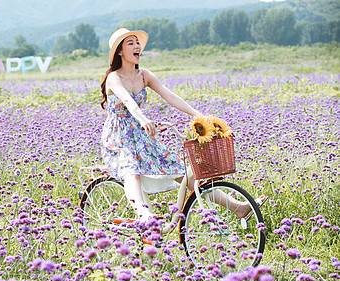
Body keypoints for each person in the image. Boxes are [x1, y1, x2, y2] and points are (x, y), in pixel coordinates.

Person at [100, 28, 265, 222]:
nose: (137, 46)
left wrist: (199, 115)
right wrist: (144, 120)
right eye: (130, 43)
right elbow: (129, 102)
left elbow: (170, 96)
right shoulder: (114, 78)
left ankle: (237, 207)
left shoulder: (144, 75)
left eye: (137, 42)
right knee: (131, 171)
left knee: (182, 172)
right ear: (120, 51)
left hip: (143, 136)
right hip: (119, 136)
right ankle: (144, 216)